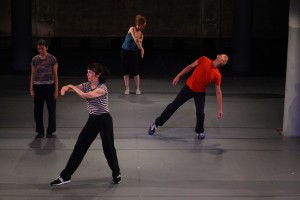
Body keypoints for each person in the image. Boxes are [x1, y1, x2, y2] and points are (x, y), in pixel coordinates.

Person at [50, 63, 121, 186]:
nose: (87, 74)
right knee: (79, 147)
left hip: (104, 120)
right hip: (92, 120)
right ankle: (65, 176)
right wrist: (65, 88)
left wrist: (71, 86)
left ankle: (116, 173)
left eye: (90, 72)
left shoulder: (102, 88)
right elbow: (69, 88)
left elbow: (85, 95)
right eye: (87, 72)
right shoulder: (86, 85)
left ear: (97, 75)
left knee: (108, 149)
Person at [148, 54, 229, 140]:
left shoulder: (217, 75)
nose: (224, 59)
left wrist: (220, 109)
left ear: (223, 64)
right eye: (224, 57)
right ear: (218, 56)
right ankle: (156, 124)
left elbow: (218, 92)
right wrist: (178, 76)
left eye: (226, 60)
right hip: (188, 88)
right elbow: (190, 66)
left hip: (200, 93)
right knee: (173, 106)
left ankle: (199, 131)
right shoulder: (204, 59)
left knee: (200, 113)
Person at [30, 39, 58, 138]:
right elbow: (32, 75)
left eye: (42, 48)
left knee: (51, 109)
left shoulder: (52, 59)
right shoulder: (34, 59)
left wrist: (56, 90)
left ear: (46, 47)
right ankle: (40, 131)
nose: (40, 50)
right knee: (37, 110)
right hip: (38, 87)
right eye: (38, 48)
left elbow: (55, 75)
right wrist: (31, 90)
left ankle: (50, 131)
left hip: (50, 87)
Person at [121, 14, 147, 95]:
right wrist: (139, 45)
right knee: (125, 71)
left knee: (135, 71)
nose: (143, 27)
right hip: (125, 51)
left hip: (133, 52)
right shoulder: (131, 28)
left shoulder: (141, 35)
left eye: (144, 26)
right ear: (139, 24)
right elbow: (135, 39)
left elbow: (139, 45)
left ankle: (138, 89)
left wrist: (142, 48)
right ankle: (127, 89)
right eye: (142, 25)